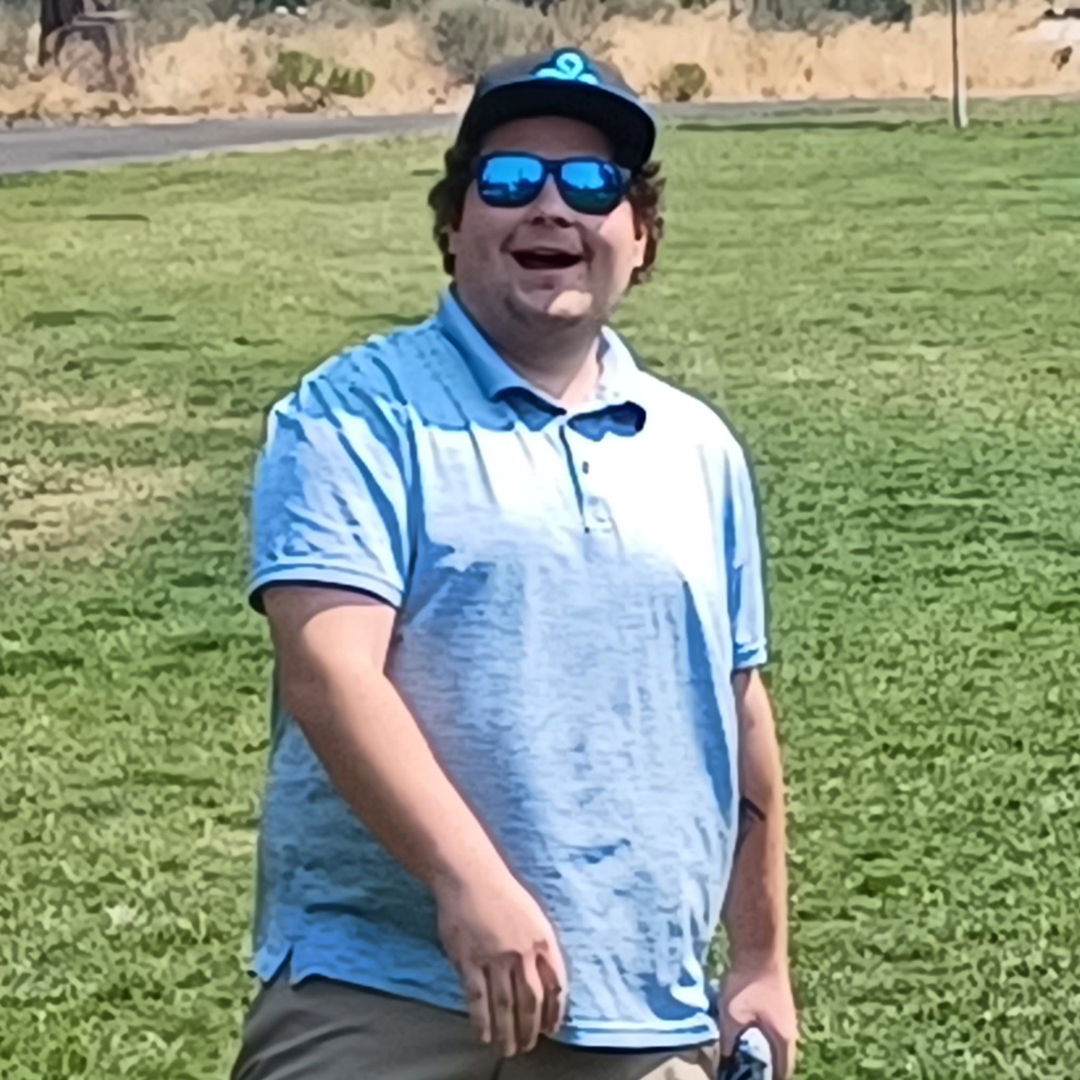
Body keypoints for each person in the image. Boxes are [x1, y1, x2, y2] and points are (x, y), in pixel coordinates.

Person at [232, 47, 798, 1080]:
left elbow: (738, 705)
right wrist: (470, 882)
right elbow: (329, 670)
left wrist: (760, 959)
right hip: (391, 993)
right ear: (454, 225)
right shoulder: (355, 414)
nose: (550, 207)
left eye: (591, 185)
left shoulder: (698, 448)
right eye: (507, 180)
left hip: (637, 1008)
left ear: (640, 235)